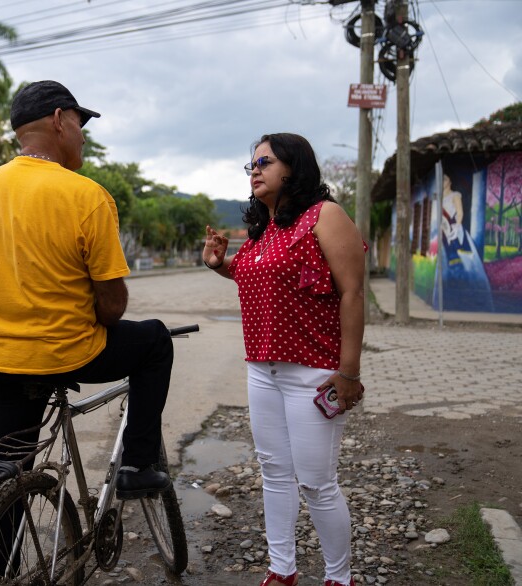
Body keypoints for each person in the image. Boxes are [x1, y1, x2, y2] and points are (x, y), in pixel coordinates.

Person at [0, 80, 175, 508]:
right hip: (68, 352)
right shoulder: (87, 195)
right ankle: (136, 465)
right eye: (81, 125)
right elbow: (113, 308)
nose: (82, 136)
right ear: (60, 120)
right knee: (154, 340)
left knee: (7, 465)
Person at [201, 133, 365, 586]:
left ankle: (339, 578)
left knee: (316, 482)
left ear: (293, 167)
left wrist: (348, 373)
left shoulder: (324, 216)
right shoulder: (264, 229)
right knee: (274, 474)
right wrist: (221, 264)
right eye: (251, 164)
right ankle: (282, 570)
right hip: (262, 371)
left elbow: (352, 293)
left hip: (313, 374)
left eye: (265, 162)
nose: (254, 170)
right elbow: (265, 280)